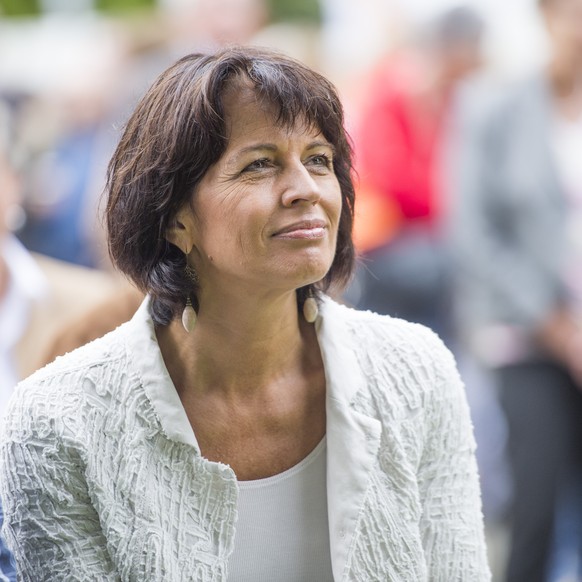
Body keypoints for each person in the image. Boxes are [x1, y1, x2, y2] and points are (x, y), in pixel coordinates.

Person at [0, 46, 490, 581]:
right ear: (174, 218)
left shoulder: (415, 372)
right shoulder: (54, 422)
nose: (305, 189)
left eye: (320, 159)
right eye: (260, 164)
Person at [450, 0, 582, 580]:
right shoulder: (495, 105)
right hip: (527, 336)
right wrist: (559, 328)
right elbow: (474, 235)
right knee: (535, 508)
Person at [346, 5, 484, 342]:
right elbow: (390, 179)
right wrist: (453, 205)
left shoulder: (455, 100)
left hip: (436, 237)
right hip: (392, 239)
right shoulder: (393, 93)